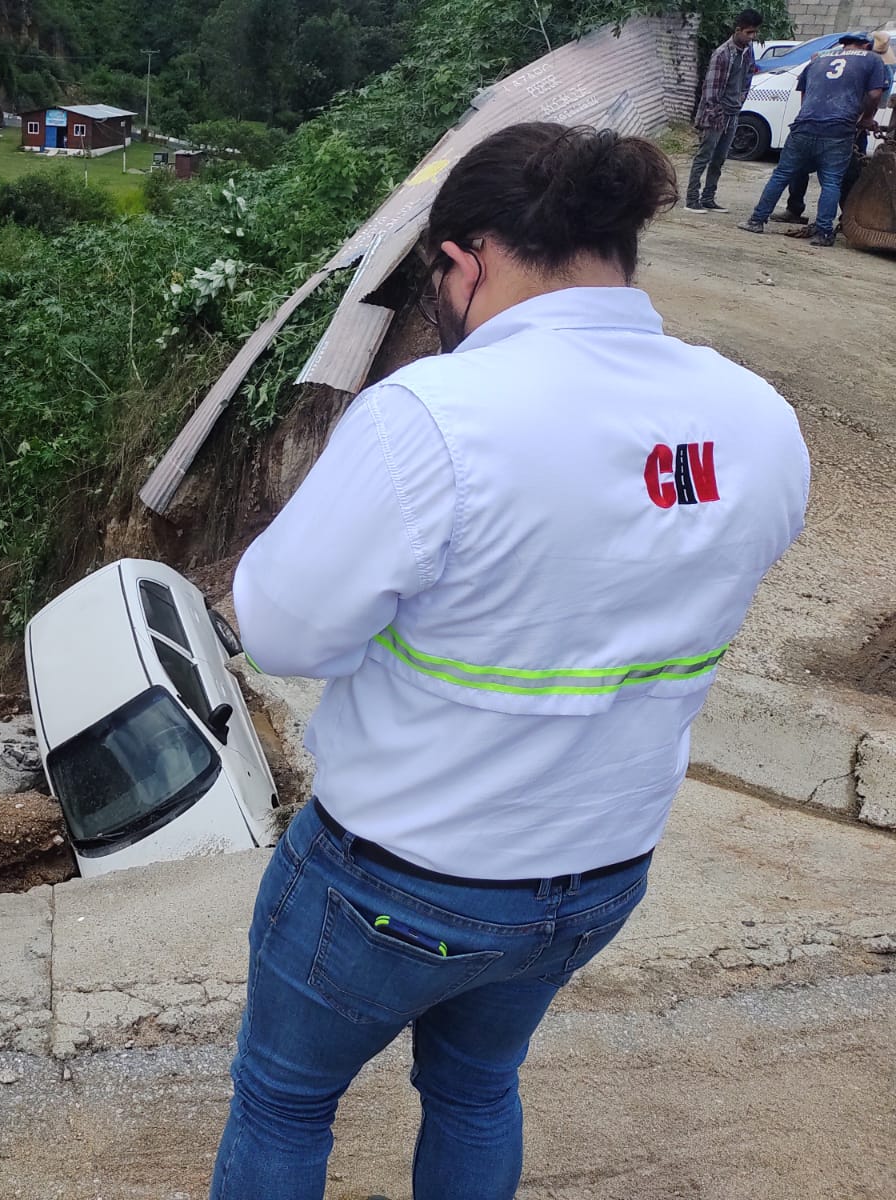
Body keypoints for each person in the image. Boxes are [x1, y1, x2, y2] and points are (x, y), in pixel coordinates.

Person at [211, 122, 809, 1200]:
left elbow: (285, 631)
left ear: (464, 258)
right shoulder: (755, 416)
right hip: (596, 874)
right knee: (478, 1089)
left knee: (285, 1101)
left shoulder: (434, 418)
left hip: (392, 883)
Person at [740, 31, 888, 245]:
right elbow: (875, 95)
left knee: (781, 174)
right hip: (839, 129)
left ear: (845, 44)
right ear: (865, 46)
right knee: (831, 181)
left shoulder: (820, 58)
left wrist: (811, 117)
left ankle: (756, 220)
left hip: (804, 126)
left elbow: (804, 92)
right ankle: (824, 233)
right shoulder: (872, 59)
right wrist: (866, 119)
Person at [685, 10, 762, 212]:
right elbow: (710, 91)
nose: (752, 37)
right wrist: (717, 113)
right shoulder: (722, 54)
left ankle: (708, 198)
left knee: (720, 159)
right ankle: (691, 199)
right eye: (749, 32)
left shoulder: (747, 52)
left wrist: (741, 99)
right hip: (715, 114)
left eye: (754, 33)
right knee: (704, 156)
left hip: (733, 113)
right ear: (738, 30)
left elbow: (748, 78)